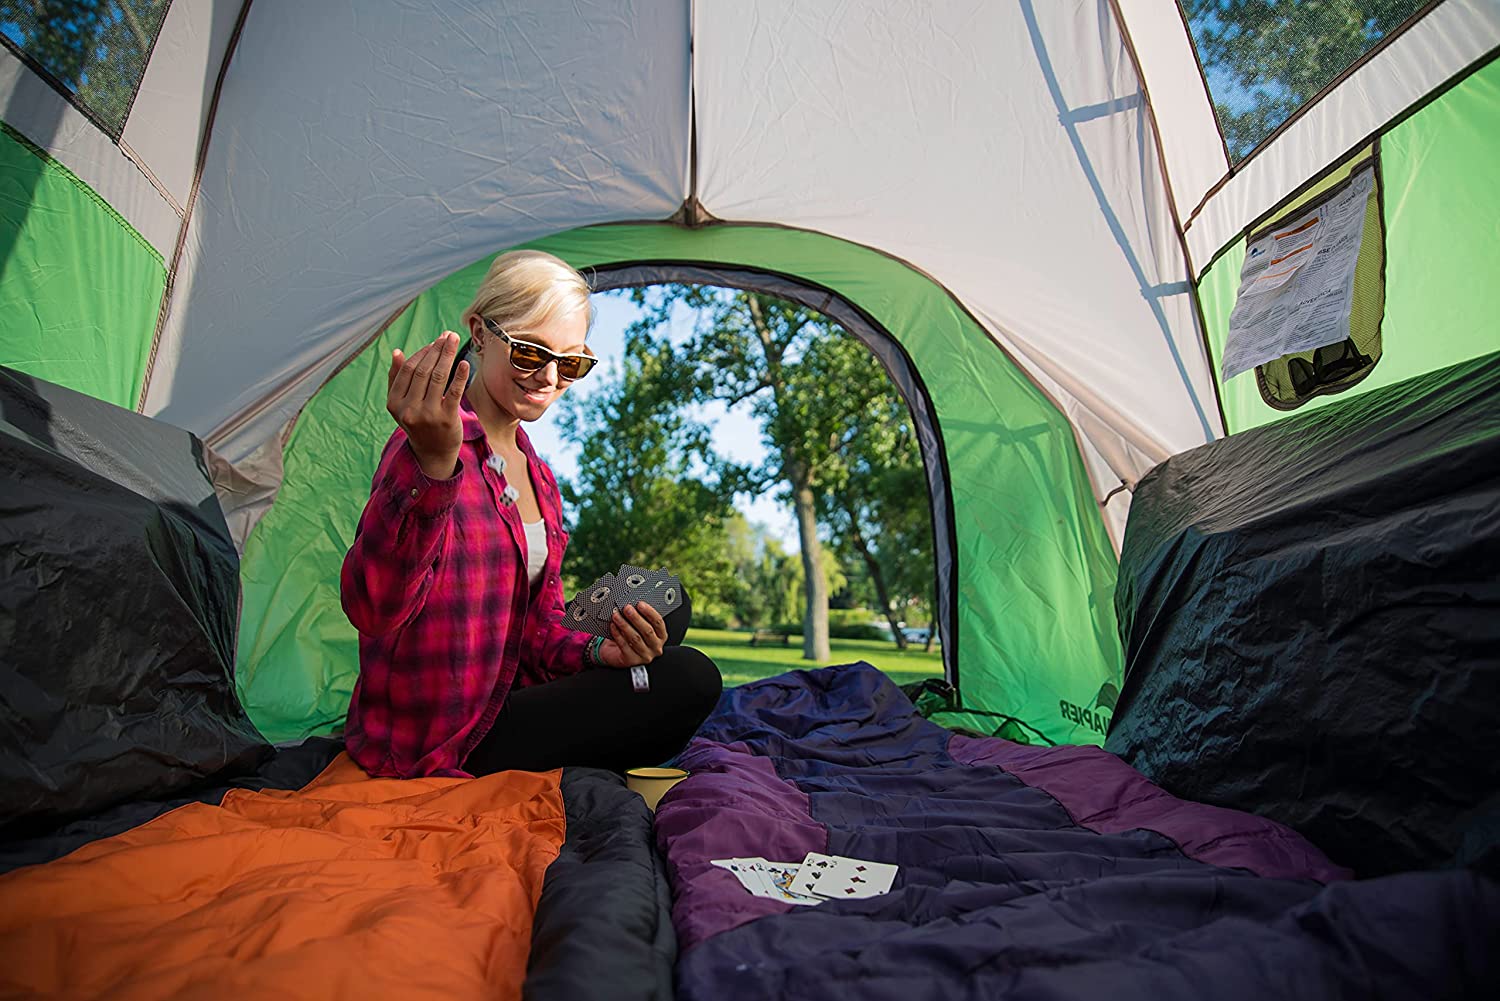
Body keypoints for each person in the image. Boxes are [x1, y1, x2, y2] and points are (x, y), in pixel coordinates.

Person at [340, 250, 722, 778]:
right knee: (689, 678)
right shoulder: (428, 445)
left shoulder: (539, 477)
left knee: (674, 632)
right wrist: (430, 465)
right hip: (441, 737)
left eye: (570, 363)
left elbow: (539, 624)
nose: (547, 377)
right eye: (528, 353)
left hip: (508, 698)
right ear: (478, 332)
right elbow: (373, 610)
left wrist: (599, 653)